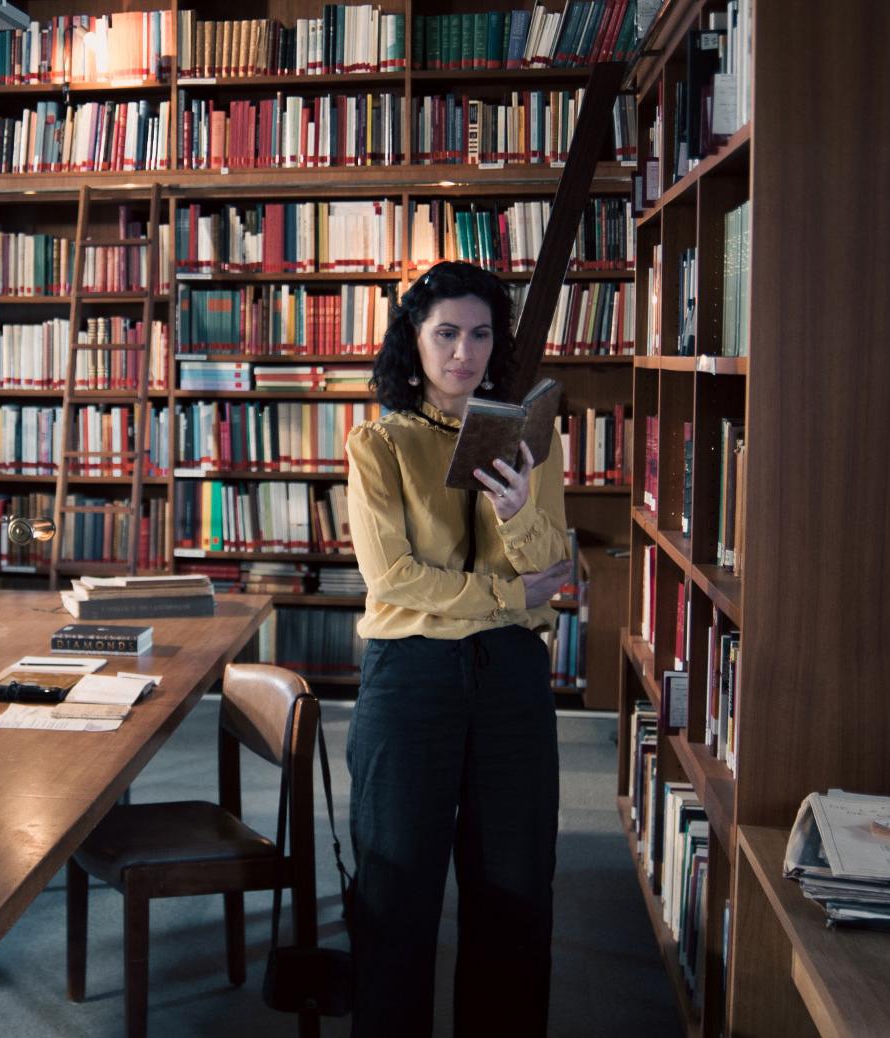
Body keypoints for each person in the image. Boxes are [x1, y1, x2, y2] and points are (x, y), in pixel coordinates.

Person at [344, 260, 572, 1036]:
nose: (462, 353)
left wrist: (515, 511)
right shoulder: (378, 442)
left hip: (510, 676)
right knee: (395, 887)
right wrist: (509, 595)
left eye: (479, 335)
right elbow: (394, 578)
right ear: (414, 339)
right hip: (410, 675)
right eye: (445, 333)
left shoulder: (532, 437)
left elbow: (552, 565)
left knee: (515, 888)